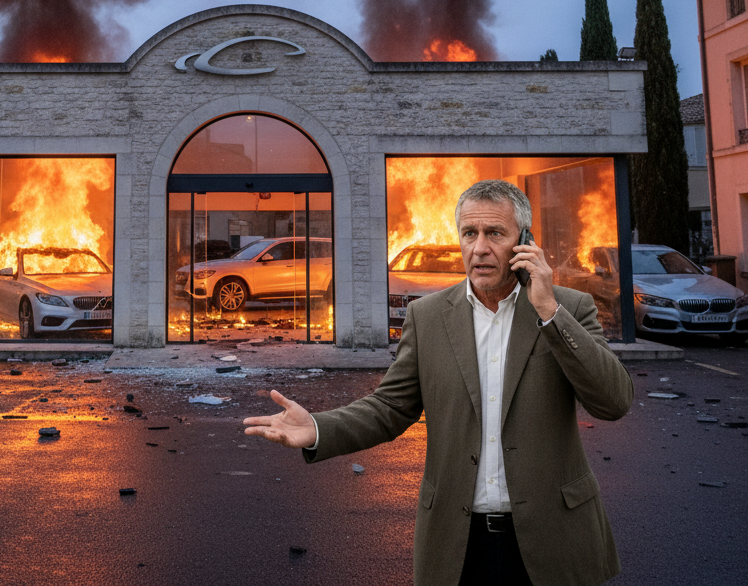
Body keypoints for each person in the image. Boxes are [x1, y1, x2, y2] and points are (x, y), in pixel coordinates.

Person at [244, 179, 633, 586]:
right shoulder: (427, 316)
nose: (479, 247)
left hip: (555, 540)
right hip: (456, 545)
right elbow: (390, 408)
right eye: (469, 233)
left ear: (525, 241)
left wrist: (549, 311)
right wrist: (319, 428)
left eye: (495, 233)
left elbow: (613, 401)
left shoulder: (568, 307)